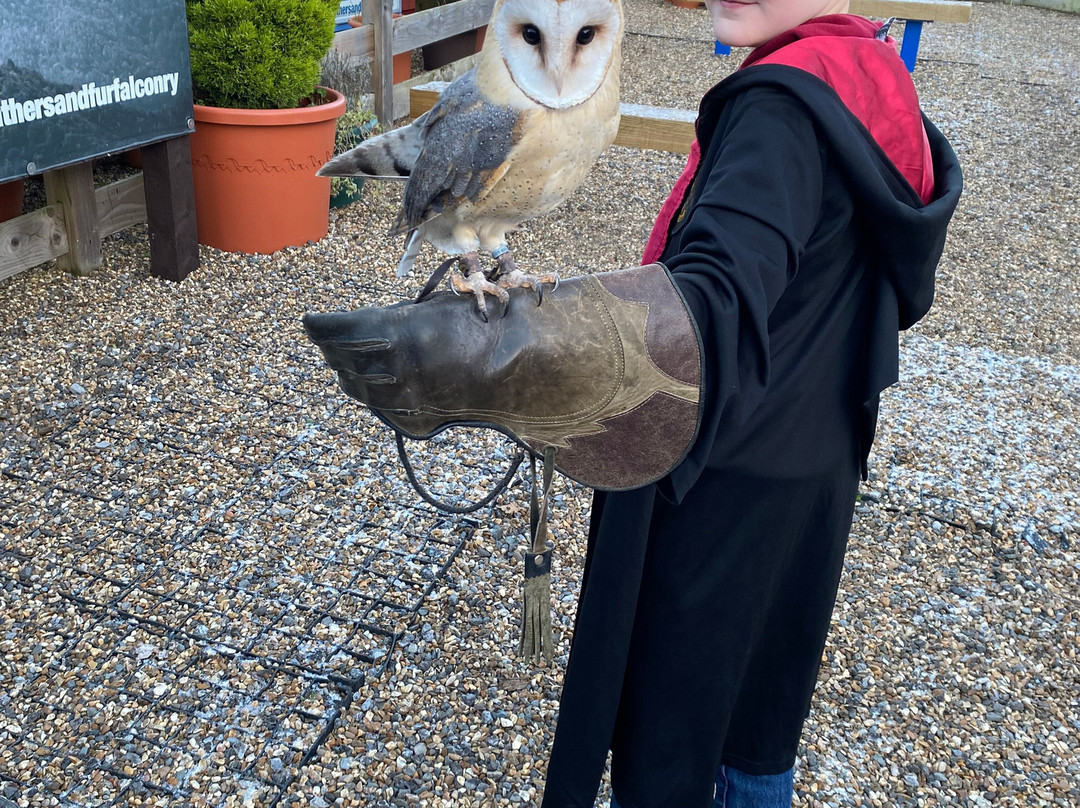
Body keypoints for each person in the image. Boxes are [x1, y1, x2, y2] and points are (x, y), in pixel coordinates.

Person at [304, 0, 962, 804]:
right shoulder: (868, 66)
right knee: (754, 722)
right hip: (812, 456)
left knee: (673, 734)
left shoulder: (779, 109)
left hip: (722, 473)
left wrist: (486, 358)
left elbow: (714, 304)